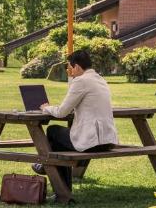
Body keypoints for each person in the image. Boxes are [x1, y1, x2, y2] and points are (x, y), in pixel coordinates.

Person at [34, 48, 118, 192]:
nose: (70, 71)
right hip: (107, 140)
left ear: (77, 66)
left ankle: (50, 171)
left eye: (70, 68)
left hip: (92, 142)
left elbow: (61, 112)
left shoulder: (81, 81)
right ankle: (56, 179)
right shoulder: (100, 79)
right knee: (60, 143)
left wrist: (46, 108)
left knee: (53, 131)